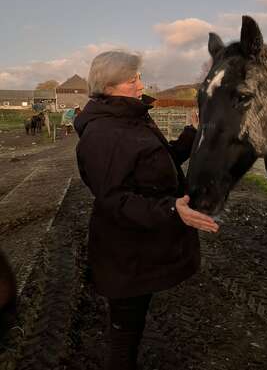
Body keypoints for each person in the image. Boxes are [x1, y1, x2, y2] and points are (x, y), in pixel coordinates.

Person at [74, 50, 219, 370]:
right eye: (132, 79)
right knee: (124, 333)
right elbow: (115, 200)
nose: (141, 84)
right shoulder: (104, 133)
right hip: (124, 253)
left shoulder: (130, 117)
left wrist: (191, 134)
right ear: (110, 86)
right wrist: (171, 209)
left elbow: (159, 163)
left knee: (134, 319)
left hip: (141, 248)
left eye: (138, 77)